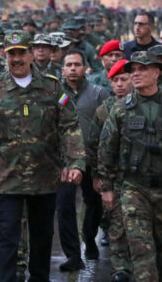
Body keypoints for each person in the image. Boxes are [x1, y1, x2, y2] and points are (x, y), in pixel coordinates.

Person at [0, 31, 86, 282]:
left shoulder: (52, 86)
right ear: (3, 55)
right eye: (11, 54)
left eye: (21, 53)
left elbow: (69, 126)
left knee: (42, 237)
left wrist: (75, 162)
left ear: (31, 54)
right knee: (7, 236)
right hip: (5, 178)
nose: (16, 58)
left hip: (44, 176)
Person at [98, 50, 162, 281]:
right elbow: (107, 149)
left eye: (142, 69)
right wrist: (106, 187)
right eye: (133, 70)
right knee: (141, 249)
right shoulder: (121, 109)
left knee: (161, 251)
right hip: (134, 188)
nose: (136, 74)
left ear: (157, 72)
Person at [57, 50, 109, 271]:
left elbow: (108, 131)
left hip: (92, 160)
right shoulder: (54, 93)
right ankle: (72, 255)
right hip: (65, 162)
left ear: (85, 68)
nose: (72, 69)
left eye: (77, 64)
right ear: (62, 69)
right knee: (65, 207)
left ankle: (89, 237)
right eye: (68, 65)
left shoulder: (99, 94)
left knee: (94, 204)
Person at [91, 59, 133, 282]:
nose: (119, 84)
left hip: (139, 176)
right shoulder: (103, 110)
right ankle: (121, 270)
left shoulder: (142, 105)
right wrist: (98, 176)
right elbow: (94, 145)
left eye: (123, 79)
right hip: (113, 176)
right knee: (116, 224)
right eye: (115, 80)